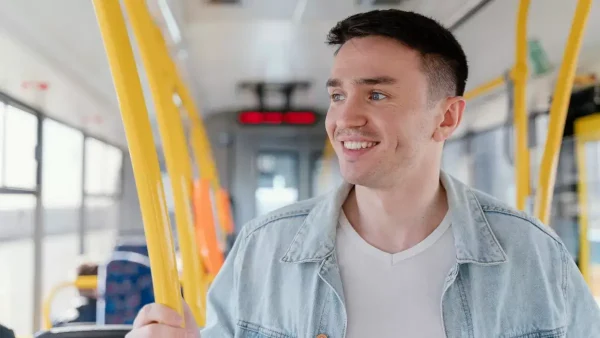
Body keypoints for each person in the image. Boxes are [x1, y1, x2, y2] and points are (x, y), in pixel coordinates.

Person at [125, 9, 600, 338]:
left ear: (447, 117)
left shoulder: (535, 259)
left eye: (376, 95)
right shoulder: (264, 251)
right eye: (337, 95)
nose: (343, 119)